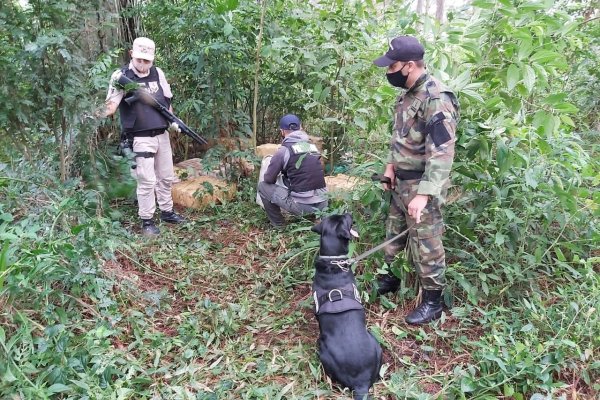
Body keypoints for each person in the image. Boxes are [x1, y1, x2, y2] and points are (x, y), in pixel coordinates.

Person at [373, 36, 460, 325]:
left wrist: (424, 195)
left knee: (427, 242)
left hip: (421, 185)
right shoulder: (407, 95)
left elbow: (442, 152)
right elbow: (397, 137)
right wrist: (389, 168)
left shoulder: (437, 99)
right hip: (401, 182)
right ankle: (392, 278)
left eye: (393, 66)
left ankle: (433, 301)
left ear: (410, 66)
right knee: (394, 234)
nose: (389, 72)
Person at [103, 37, 186, 236]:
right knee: (147, 180)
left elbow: (166, 103)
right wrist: (90, 114)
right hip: (139, 137)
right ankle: (147, 219)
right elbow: (111, 107)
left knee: (166, 177)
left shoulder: (158, 74)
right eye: (139, 59)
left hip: (161, 134)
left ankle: (167, 212)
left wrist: (173, 121)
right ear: (132, 54)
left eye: (146, 61)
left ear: (152, 59)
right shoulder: (121, 76)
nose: (142, 64)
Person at [258, 114, 328, 228]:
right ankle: (315, 217)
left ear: (282, 131)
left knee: (263, 186)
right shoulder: (312, 147)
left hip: (302, 207)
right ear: (300, 128)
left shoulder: (283, 151)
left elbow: (268, 179)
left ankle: (279, 225)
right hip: (323, 203)